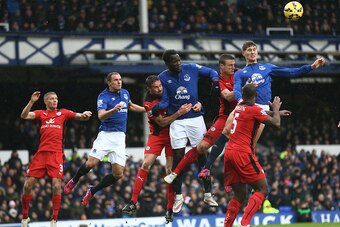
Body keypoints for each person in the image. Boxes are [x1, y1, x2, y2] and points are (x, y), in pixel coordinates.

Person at [152, 49, 220, 213]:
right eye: (174, 62)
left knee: (201, 155)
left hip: (196, 118)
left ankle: (208, 193)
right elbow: (166, 100)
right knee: (178, 157)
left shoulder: (191, 68)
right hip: (177, 121)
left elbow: (211, 71)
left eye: (179, 60)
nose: (178, 63)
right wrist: (158, 107)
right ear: (167, 63)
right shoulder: (162, 77)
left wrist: (215, 80)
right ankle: (178, 196)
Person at [63, 72, 145, 206]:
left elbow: (130, 106)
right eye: (116, 80)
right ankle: (74, 180)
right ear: (109, 82)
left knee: (118, 175)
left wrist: (146, 109)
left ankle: (92, 190)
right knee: (90, 164)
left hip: (119, 137)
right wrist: (113, 110)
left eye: (120, 79)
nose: (119, 82)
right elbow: (101, 116)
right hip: (106, 135)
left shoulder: (125, 93)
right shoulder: (103, 96)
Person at [121, 75, 193, 224]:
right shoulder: (148, 102)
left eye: (160, 85)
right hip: (158, 135)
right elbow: (162, 122)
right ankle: (133, 202)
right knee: (146, 164)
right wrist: (179, 112)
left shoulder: (167, 89)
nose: (159, 88)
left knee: (169, 172)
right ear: (149, 89)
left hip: (173, 135)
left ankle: (169, 209)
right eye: (156, 87)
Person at [163, 54, 237, 189]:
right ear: (222, 66)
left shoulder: (240, 74)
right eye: (230, 65)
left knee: (241, 150)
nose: (233, 67)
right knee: (202, 147)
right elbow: (228, 96)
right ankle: (178, 173)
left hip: (244, 115)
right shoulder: (220, 80)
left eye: (234, 65)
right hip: (225, 116)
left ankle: (230, 181)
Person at [20, 91, 92, 227]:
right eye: (52, 99)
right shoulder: (41, 113)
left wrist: (84, 115)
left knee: (56, 185)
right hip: (41, 154)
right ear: (46, 101)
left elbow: (79, 116)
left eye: (56, 99)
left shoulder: (63, 113)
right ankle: (25, 217)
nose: (55, 101)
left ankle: (54, 220)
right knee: (28, 185)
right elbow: (24, 116)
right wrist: (31, 102)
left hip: (56, 154)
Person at [234, 41, 325, 145]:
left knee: (250, 145)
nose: (252, 52)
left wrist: (311, 67)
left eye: (254, 49)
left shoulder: (267, 67)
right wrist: (240, 100)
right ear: (243, 53)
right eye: (249, 50)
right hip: (249, 107)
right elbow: (236, 88)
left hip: (263, 109)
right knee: (234, 135)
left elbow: (291, 72)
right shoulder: (240, 73)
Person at [223, 84, 282, 227]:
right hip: (242, 153)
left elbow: (253, 113)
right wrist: (276, 109)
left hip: (229, 152)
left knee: (240, 195)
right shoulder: (254, 109)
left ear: (243, 95)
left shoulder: (238, 107)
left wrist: (274, 112)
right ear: (255, 96)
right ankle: (245, 224)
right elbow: (276, 123)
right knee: (262, 189)